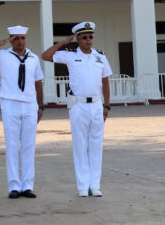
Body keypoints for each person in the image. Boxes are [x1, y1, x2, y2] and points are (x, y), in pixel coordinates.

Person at [41, 20, 112, 197]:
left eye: (91, 37)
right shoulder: (70, 55)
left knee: (96, 145)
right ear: (78, 39)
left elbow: (105, 81)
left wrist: (107, 105)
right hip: (78, 104)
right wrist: (63, 42)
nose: (89, 40)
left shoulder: (100, 56)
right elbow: (46, 56)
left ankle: (95, 185)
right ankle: (82, 186)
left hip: (96, 104)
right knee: (80, 146)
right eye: (85, 37)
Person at [0, 25, 45, 199]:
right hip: (10, 103)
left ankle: (27, 185)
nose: (20, 41)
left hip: (30, 104)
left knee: (29, 146)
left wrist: (41, 105)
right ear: (11, 39)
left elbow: (38, 83)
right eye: (16, 38)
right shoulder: (2, 56)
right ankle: (14, 185)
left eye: (22, 38)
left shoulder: (33, 58)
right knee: (12, 145)